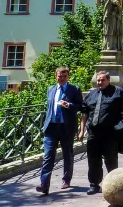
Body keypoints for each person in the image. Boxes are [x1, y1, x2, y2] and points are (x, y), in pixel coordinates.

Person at [79, 71, 123, 195]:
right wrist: (82, 130)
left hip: (110, 133)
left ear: (108, 80)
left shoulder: (118, 92)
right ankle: (94, 184)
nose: (99, 82)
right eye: (98, 80)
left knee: (111, 159)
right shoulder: (91, 94)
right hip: (93, 134)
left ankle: (115, 183)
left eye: (102, 80)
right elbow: (84, 113)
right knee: (93, 160)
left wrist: (118, 125)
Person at [36, 66, 82, 195]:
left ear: (68, 77)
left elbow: (80, 106)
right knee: (48, 155)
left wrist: (69, 105)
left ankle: (66, 180)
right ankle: (44, 185)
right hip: (51, 127)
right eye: (59, 76)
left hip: (66, 127)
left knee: (67, 154)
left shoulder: (74, 89)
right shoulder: (51, 89)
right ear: (55, 76)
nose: (61, 79)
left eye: (64, 76)